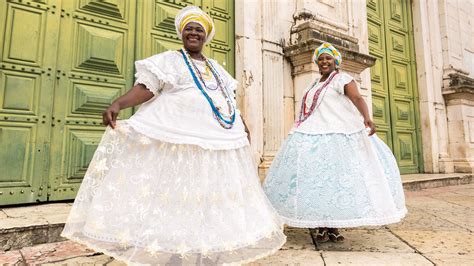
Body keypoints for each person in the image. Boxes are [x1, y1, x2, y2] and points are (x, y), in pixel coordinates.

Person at [61, 6, 285, 265]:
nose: (193, 33)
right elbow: (147, 88)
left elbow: (226, 99)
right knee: (178, 195)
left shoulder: (217, 69)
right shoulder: (170, 60)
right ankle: (173, 248)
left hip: (216, 142)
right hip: (178, 140)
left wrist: (243, 124)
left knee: (209, 195)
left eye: (199, 29)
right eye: (189, 28)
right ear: (181, 34)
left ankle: (206, 244)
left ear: (205, 36)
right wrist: (119, 104)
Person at [262, 42, 407, 242]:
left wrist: (367, 117)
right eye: (321, 58)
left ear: (335, 61)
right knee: (318, 181)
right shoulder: (314, 84)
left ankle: (334, 226)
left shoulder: (342, 79)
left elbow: (357, 98)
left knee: (336, 181)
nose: (324, 61)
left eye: (328, 58)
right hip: (313, 136)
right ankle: (320, 226)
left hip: (337, 135)